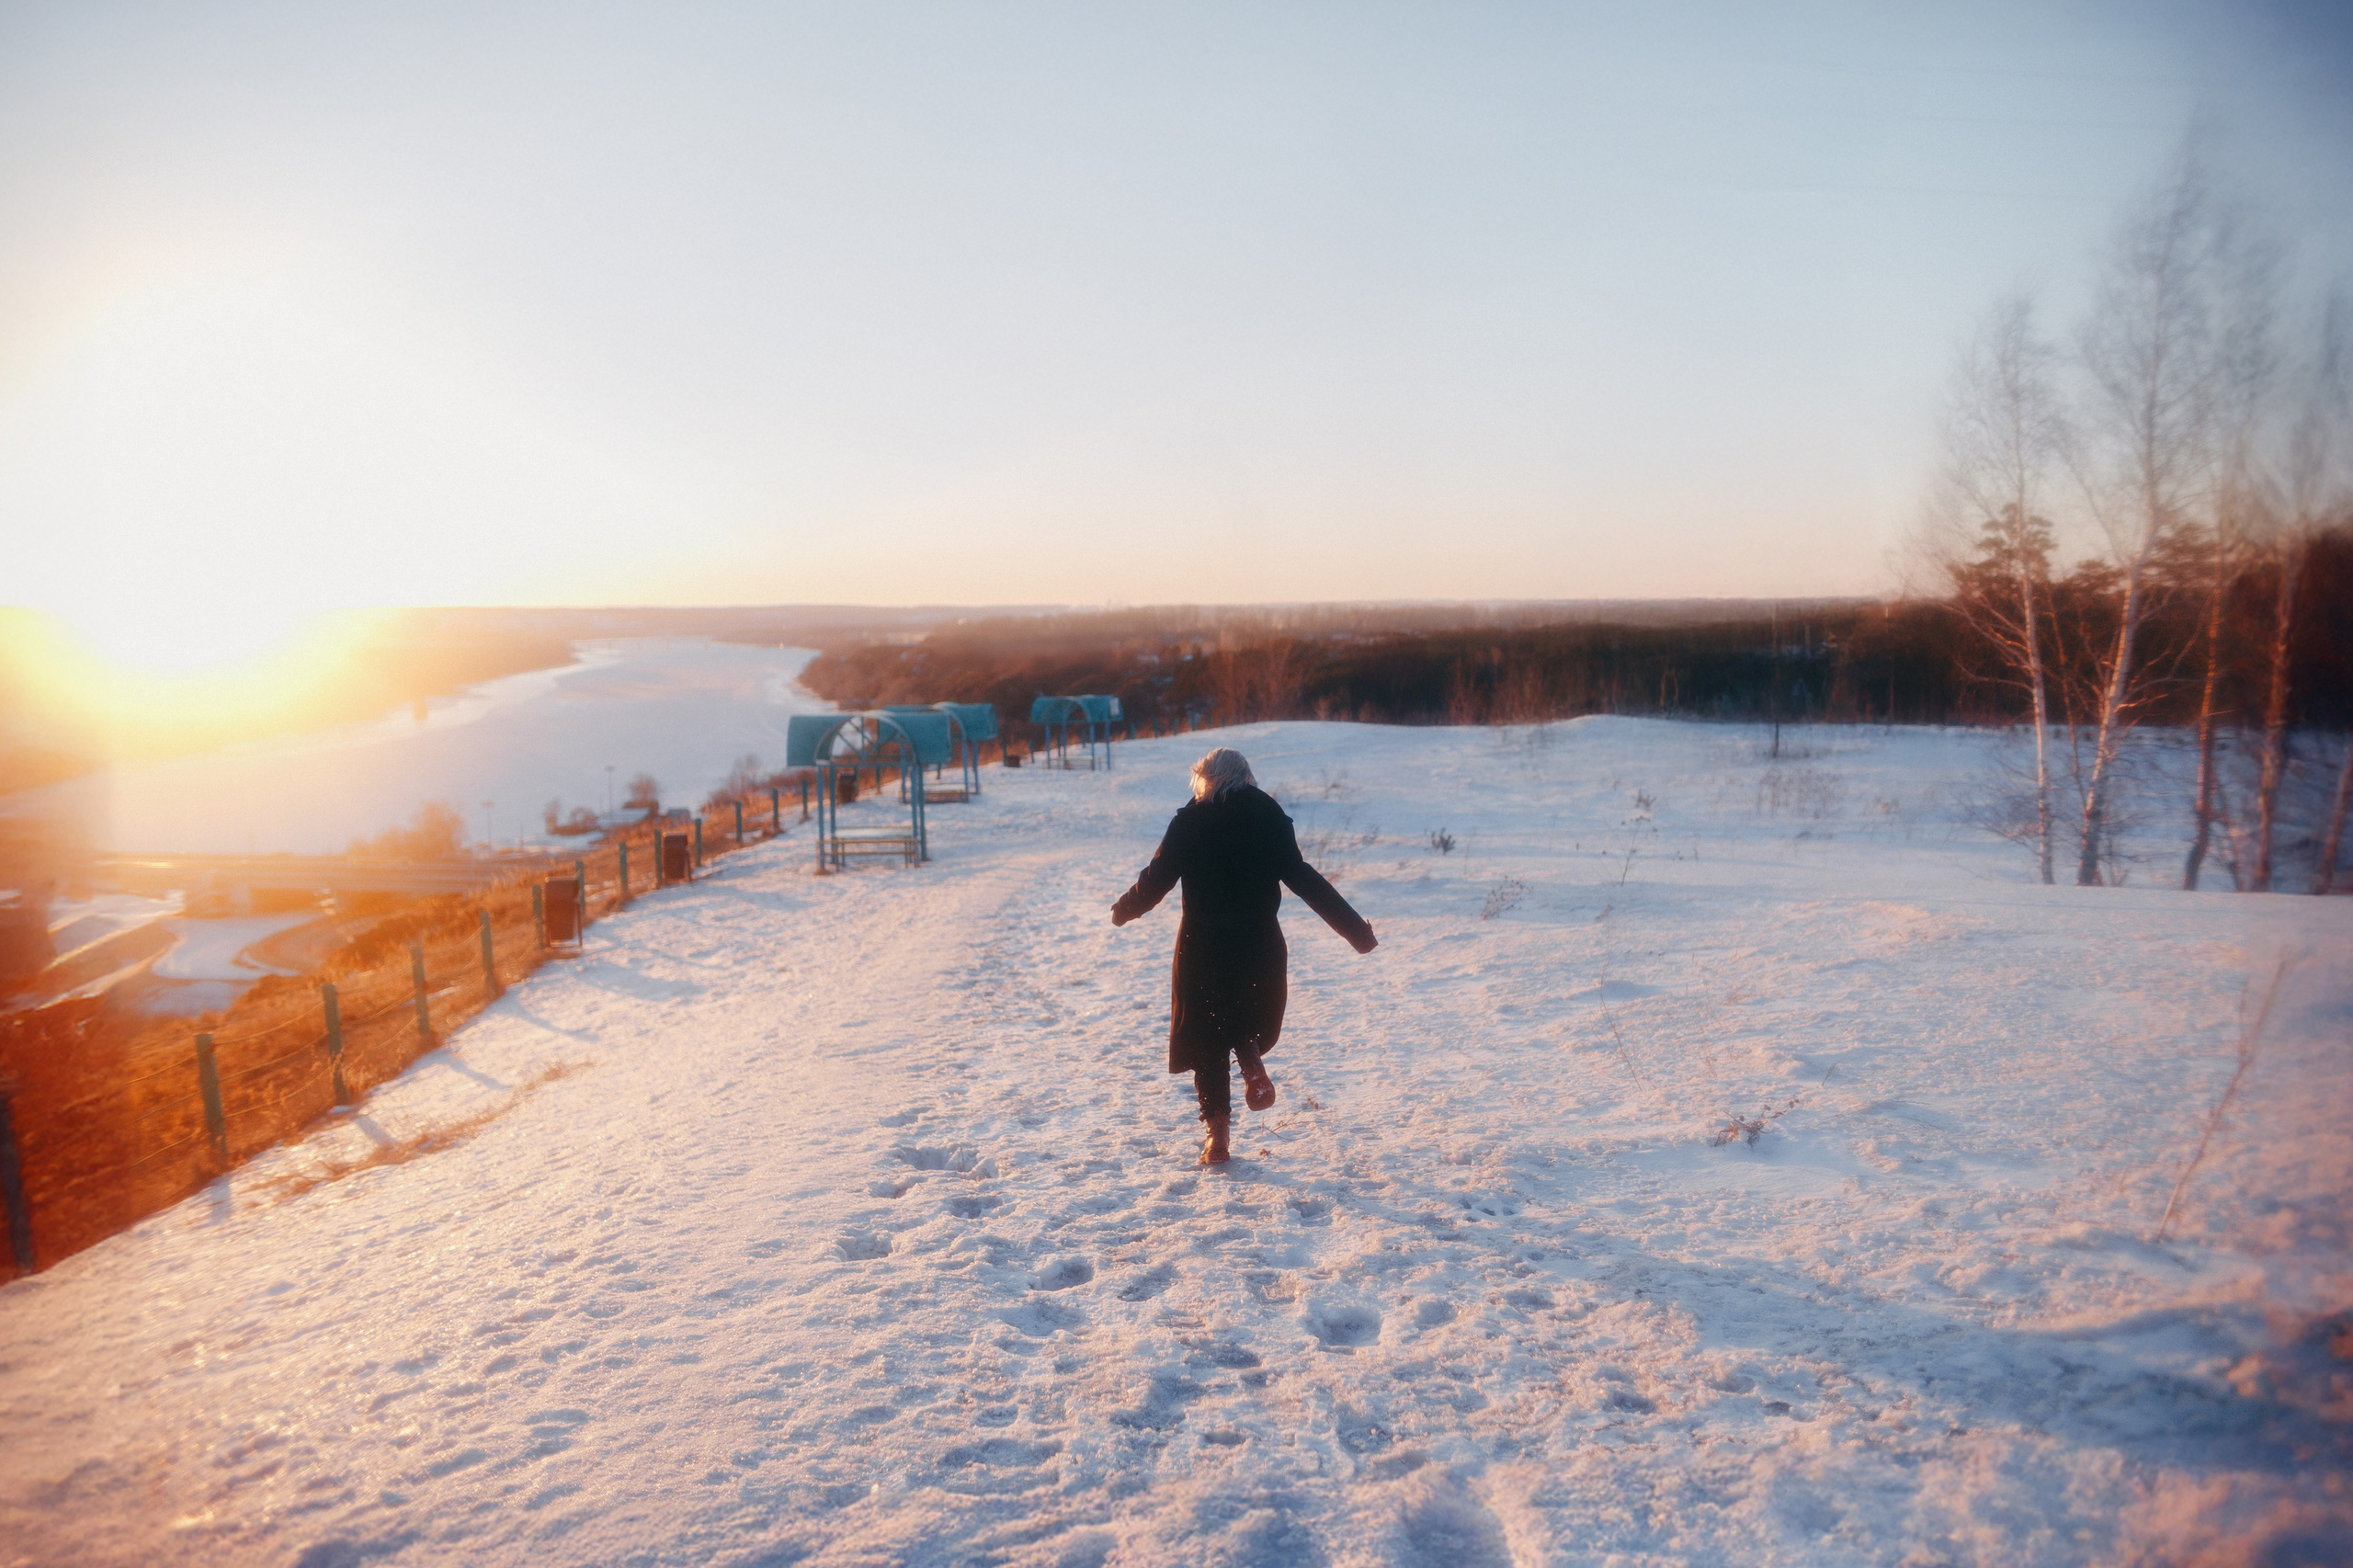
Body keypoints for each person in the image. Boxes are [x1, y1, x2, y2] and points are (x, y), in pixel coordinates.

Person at [1110, 747, 1378, 1165]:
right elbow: (1303, 878)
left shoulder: (1191, 820)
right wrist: (1357, 932)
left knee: (1205, 1039)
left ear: (1206, 778)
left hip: (1203, 945)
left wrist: (1124, 910)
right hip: (1259, 943)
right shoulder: (1268, 816)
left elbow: (1157, 878)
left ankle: (1217, 1141)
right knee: (1245, 1012)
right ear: (1246, 777)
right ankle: (1250, 1055)